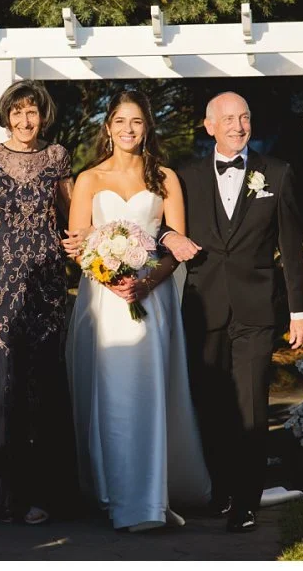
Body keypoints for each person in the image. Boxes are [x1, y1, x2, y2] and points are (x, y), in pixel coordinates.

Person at [159, 91, 303, 533]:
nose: (237, 125)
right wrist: (169, 238)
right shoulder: (184, 177)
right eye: (227, 119)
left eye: (243, 117)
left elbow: (291, 249)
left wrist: (299, 311)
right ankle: (222, 492)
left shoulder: (277, 174)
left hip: (256, 309)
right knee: (211, 405)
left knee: (250, 406)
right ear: (209, 127)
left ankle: (245, 501)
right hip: (204, 308)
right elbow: (164, 224)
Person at [64, 90, 211, 532]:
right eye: (121, 121)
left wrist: (144, 283)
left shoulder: (165, 178)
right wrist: (113, 280)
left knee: (150, 391)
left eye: (137, 122)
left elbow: (177, 246)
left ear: (147, 128)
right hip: (105, 302)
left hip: (153, 296)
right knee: (111, 394)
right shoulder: (88, 179)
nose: (128, 129)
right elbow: (78, 244)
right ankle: (115, 493)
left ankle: (152, 496)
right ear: (107, 127)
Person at [0, 80, 74, 525]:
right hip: (0, 278)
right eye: (18, 112)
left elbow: (70, 215)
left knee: (41, 379)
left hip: (45, 278)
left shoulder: (58, 156)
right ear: (6, 115)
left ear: (43, 116)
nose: (25, 121)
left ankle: (42, 495)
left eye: (33, 112)